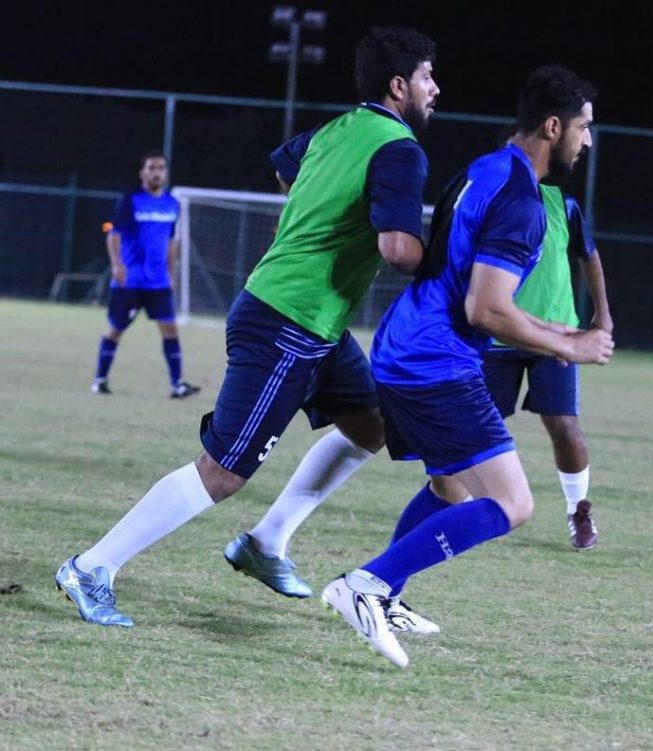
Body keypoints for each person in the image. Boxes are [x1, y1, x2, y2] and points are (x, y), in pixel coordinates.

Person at [55, 27, 440, 628]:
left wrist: (320, 212)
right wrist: (453, 268)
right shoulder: (400, 149)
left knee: (372, 428)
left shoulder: (338, 130)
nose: (435, 88)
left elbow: (285, 167)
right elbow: (397, 248)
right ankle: (91, 567)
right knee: (222, 472)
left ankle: (267, 542)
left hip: (317, 325)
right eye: (426, 77)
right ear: (399, 86)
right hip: (288, 320)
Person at [320, 65, 613, 668]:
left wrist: (559, 330)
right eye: (583, 128)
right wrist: (569, 348)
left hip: (406, 344)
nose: (586, 141)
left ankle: (386, 594)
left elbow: (462, 283)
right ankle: (366, 585)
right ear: (553, 127)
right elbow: (486, 309)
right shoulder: (523, 202)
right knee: (513, 504)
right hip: (436, 363)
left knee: (450, 486)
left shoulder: (485, 169)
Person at [483, 156, 612, 549]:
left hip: (557, 337)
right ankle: (468, 501)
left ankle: (578, 510)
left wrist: (602, 313)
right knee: (480, 424)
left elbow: (589, 255)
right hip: (499, 334)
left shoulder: (562, 204)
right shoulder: (491, 201)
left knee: (564, 426)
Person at [91, 151, 200, 399]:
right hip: (130, 280)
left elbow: (171, 241)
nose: (156, 173)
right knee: (115, 329)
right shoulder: (130, 200)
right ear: (142, 172)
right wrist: (117, 265)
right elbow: (114, 235)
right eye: (151, 168)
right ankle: (100, 380)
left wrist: (171, 273)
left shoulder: (172, 204)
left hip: (158, 282)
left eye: (160, 168)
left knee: (170, 329)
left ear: (166, 173)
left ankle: (177, 385)